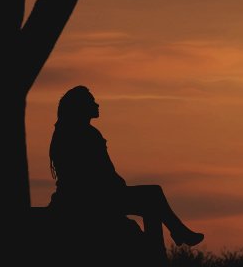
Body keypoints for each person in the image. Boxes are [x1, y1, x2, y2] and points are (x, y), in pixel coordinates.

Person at [48, 85, 204, 249]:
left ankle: (175, 234)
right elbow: (100, 172)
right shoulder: (85, 134)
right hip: (92, 199)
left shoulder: (68, 132)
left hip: (86, 197)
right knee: (153, 195)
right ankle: (168, 241)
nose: (97, 105)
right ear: (80, 107)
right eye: (91, 102)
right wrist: (117, 186)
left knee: (152, 200)